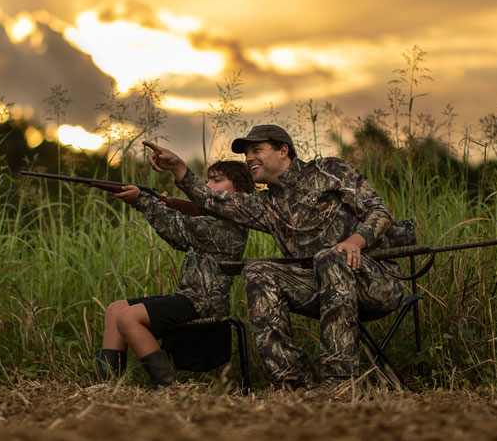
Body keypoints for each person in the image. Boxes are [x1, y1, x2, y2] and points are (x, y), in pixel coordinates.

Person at [143, 125, 405, 390]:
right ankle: (292, 383)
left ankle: (340, 382)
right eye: (246, 154)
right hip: (317, 287)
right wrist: (177, 167)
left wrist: (354, 241)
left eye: (257, 149)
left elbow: (379, 210)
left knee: (329, 258)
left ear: (283, 151)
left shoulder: (328, 170)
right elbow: (213, 201)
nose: (249, 158)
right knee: (257, 270)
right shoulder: (265, 204)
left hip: (374, 283)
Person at [96, 160, 254, 386]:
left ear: (238, 191)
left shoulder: (229, 223)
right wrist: (162, 205)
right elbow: (179, 238)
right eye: (207, 179)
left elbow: (181, 227)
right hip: (187, 298)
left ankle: (170, 387)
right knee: (115, 309)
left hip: (204, 303)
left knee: (128, 317)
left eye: (217, 180)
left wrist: (142, 200)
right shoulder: (208, 219)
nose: (208, 184)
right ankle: (107, 387)